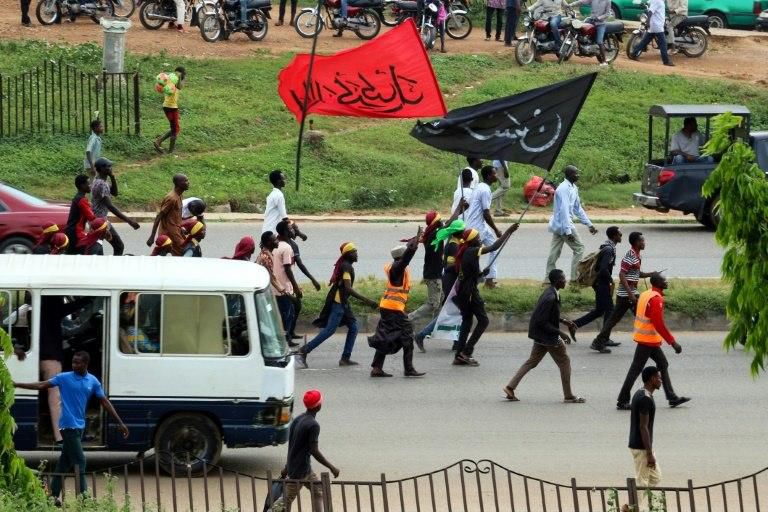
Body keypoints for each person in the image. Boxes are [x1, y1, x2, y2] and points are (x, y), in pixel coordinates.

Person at [13, 351, 129, 503]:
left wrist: (120, 423)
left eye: (78, 363)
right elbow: (41, 385)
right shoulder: (64, 378)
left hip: (80, 426)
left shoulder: (92, 381)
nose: (74, 365)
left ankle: (52, 497)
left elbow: (104, 402)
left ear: (85, 364)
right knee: (80, 462)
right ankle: (85, 501)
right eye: (73, 362)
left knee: (64, 463)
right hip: (67, 426)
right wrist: (17, 384)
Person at [503, 269, 586, 403]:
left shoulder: (551, 292)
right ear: (558, 281)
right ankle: (568, 395)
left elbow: (549, 315)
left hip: (540, 335)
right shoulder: (550, 297)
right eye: (564, 279)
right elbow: (542, 321)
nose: (566, 280)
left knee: (532, 361)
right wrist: (561, 333)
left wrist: (563, 321)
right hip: (547, 336)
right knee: (564, 362)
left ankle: (510, 387)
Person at [296, 242, 378, 369]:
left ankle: (345, 358)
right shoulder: (346, 267)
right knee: (329, 330)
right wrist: (368, 301)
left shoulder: (347, 265)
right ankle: (304, 350)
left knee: (354, 327)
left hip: (343, 302)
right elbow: (348, 289)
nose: (357, 254)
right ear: (348, 254)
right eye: (354, 252)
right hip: (339, 303)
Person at [616, 273, 691, 410]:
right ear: (657, 283)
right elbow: (658, 324)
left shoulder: (646, 294)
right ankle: (622, 400)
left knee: (662, 364)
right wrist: (673, 342)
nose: (666, 282)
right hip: (647, 340)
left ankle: (672, 397)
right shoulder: (656, 299)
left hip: (646, 338)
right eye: (664, 280)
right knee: (635, 370)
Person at [453, 224, 518, 366]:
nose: (480, 239)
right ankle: (466, 352)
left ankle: (459, 355)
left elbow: (471, 274)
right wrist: (508, 231)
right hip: (470, 293)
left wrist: (482, 274)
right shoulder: (472, 250)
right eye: (478, 238)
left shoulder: (465, 250)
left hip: (463, 291)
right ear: (472, 241)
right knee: (483, 321)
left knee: (466, 322)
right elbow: (494, 248)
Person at [368, 229, 426, 378]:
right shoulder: (397, 269)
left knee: (384, 336)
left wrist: (415, 238)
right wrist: (412, 248)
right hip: (393, 309)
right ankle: (408, 368)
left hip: (388, 307)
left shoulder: (395, 267)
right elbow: (406, 258)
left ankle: (377, 367)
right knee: (407, 336)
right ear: (401, 257)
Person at [591, 231, 656, 353]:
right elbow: (622, 275)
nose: (644, 243)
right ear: (636, 243)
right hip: (626, 295)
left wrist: (651, 274)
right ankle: (649, 340)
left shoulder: (637, 256)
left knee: (614, 319)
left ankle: (598, 342)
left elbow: (637, 274)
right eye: (642, 241)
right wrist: (631, 294)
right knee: (641, 314)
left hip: (630, 293)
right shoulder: (630, 256)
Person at [277, 389, 339, 512]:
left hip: (304, 468)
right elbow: (314, 451)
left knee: (318, 491)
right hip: (300, 472)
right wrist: (332, 467)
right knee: (284, 502)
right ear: (318, 406)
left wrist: (286, 468)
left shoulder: (298, 419)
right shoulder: (313, 425)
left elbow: (293, 446)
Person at [413, 218, 466, 351]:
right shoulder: (453, 246)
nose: (464, 232)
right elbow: (450, 266)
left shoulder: (456, 242)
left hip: (451, 282)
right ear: (457, 232)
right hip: (451, 283)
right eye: (463, 230)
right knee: (454, 312)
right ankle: (422, 334)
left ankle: (456, 341)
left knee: (454, 313)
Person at [545, 165, 598, 283]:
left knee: (554, 252)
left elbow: (577, 208)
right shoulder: (563, 189)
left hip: (560, 225)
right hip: (564, 225)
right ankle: (574, 279)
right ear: (569, 175)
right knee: (579, 248)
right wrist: (568, 231)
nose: (578, 175)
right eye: (576, 173)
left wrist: (589, 224)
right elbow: (564, 210)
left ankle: (547, 280)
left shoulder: (573, 188)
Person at [572, 226, 622, 345]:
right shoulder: (609, 250)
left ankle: (574, 325)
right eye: (619, 234)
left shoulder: (606, 246)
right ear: (614, 236)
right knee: (610, 310)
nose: (621, 236)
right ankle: (604, 338)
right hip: (601, 283)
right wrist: (611, 280)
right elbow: (603, 269)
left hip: (599, 282)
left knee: (600, 310)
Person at [464, 165, 505, 288]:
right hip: (476, 228)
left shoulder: (480, 186)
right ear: (488, 176)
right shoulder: (485, 190)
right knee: (473, 254)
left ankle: (489, 279)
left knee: (494, 247)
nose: (496, 176)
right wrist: (496, 229)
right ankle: (473, 280)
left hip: (477, 224)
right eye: (494, 174)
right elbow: (486, 213)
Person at [90, 157, 140, 256]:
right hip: (99, 221)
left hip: (99, 219)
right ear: (102, 169)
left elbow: (115, 193)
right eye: (109, 166)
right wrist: (129, 221)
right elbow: (110, 206)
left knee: (102, 247)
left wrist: (112, 177)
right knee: (117, 246)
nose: (111, 168)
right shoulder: (101, 184)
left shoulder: (100, 181)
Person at [628, 366, 663, 504]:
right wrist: (649, 454)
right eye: (658, 377)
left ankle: (629, 507)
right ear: (651, 379)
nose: (661, 380)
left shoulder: (640, 393)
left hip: (643, 446)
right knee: (641, 483)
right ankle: (632, 508)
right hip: (641, 447)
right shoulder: (645, 399)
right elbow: (643, 427)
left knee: (655, 477)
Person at [285, 222, 321, 341]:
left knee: (295, 306)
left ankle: (290, 332)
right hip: (281, 283)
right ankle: (287, 336)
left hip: (288, 282)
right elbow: (299, 265)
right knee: (290, 307)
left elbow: (299, 265)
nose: (295, 232)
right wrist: (313, 280)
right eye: (292, 229)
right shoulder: (282, 245)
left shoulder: (293, 245)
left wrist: (312, 279)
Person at [275, 221, 302, 347]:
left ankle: (286, 337)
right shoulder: (286, 247)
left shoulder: (276, 244)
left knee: (283, 313)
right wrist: (295, 287)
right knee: (288, 314)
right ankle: (286, 339)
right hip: (284, 287)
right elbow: (287, 269)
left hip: (275, 286)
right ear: (286, 232)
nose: (293, 231)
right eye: (291, 229)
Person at [147, 174, 189, 256]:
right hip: (170, 234)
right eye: (185, 181)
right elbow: (159, 216)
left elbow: (175, 216)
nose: (188, 183)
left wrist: (181, 228)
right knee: (183, 253)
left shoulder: (179, 195)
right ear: (178, 183)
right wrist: (152, 236)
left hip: (176, 231)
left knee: (182, 252)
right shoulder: (172, 198)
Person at [627, 0, 674, 66]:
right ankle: (666, 61)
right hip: (656, 25)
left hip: (656, 25)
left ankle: (633, 54)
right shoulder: (657, 1)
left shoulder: (660, 1)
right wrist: (648, 22)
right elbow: (650, 12)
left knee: (644, 41)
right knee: (663, 44)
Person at [567, 0, 611, 64]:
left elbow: (607, 13)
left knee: (599, 41)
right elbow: (582, 1)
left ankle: (604, 61)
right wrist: (571, 5)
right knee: (579, 28)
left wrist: (599, 18)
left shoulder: (607, 1)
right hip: (591, 20)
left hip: (600, 24)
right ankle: (581, 46)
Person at [154, 66, 186, 153]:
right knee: (175, 129)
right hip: (170, 107)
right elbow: (179, 86)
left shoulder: (173, 82)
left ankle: (159, 141)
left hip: (170, 107)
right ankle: (170, 152)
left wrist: (179, 77)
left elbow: (180, 86)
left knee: (174, 128)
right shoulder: (172, 81)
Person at [65, 174, 96, 255]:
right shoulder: (82, 200)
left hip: (71, 231)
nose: (90, 186)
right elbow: (92, 217)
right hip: (76, 233)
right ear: (82, 185)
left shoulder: (78, 197)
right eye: (88, 184)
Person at [263, 170, 289, 234]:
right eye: (283, 179)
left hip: (266, 229)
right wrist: (298, 232)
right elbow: (285, 218)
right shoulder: (279, 195)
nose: (285, 180)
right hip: (273, 232)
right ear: (278, 181)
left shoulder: (272, 194)